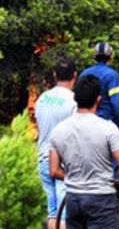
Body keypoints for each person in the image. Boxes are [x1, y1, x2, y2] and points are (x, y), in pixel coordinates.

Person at [49, 75, 119, 229]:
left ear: (74, 98)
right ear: (99, 99)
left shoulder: (58, 130)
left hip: (73, 201)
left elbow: (54, 171)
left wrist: (76, 179)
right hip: (102, 202)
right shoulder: (109, 129)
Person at [35, 60, 78, 229]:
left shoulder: (42, 99)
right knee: (65, 215)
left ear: (54, 75)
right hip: (62, 163)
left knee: (53, 213)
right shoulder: (74, 101)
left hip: (44, 159)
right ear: (75, 75)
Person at [79, 42, 119, 142]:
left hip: (84, 126)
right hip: (107, 126)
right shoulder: (112, 76)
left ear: (94, 56)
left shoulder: (84, 74)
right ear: (110, 56)